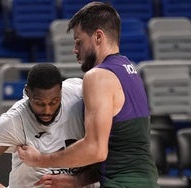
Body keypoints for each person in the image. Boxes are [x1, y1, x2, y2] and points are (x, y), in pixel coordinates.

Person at [17, 2, 160, 188]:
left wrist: (41, 160)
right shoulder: (129, 70)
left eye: (79, 41)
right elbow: (120, 152)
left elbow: (95, 150)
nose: (75, 50)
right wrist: (77, 180)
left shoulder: (98, 76)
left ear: (98, 36)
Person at [0, 63, 99, 188]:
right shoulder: (14, 121)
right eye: (39, 103)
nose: (47, 110)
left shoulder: (80, 94)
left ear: (61, 91)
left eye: (54, 102)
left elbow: (111, 158)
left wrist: (76, 181)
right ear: (27, 92)